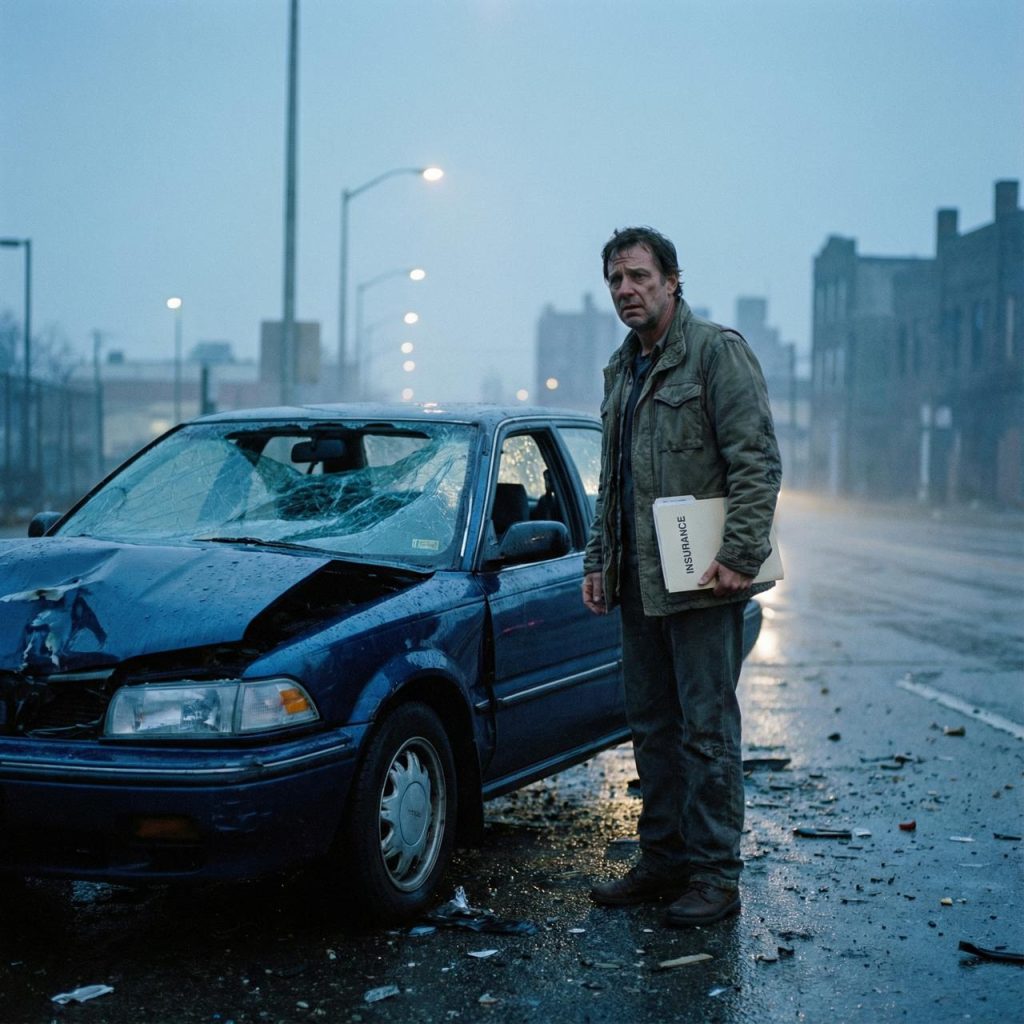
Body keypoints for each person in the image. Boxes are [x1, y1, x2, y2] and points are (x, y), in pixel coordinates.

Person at [582, 226, 781, 927]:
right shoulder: (621, 369)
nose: (626, 290)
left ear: (672, 281)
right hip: (640, 581)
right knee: (652, 728)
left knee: (705, 730)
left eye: (638, 276)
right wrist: (598, 559)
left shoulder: (716, 354)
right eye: (615, 280)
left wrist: (740, 555)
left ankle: (715, 877)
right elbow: (612, 482)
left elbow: (756, 462)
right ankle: (663, 860)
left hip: (703, 579)